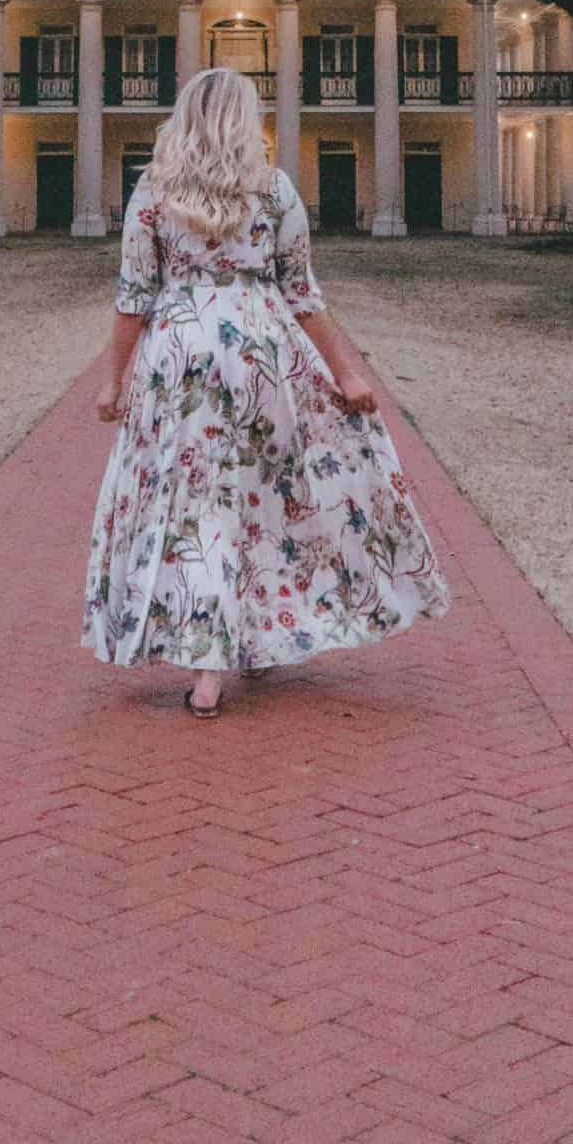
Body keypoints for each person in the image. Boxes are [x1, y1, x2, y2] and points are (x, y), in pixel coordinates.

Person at [80, 65, 451, 716]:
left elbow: (134, 296)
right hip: (261, 353)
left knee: (190, 508)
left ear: (185, 118)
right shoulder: (274, 190)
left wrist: (113, 380)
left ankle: (209, 663)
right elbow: (301, 292)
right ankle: (250, 640)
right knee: (265, 502)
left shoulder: (154, 191)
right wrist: (346, 373)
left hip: (180, 357)